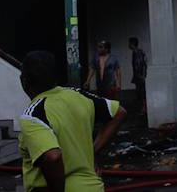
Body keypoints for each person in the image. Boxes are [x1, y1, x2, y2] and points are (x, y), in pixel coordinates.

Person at [18, 50, 127, 192]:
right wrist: (93, 150)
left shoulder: (32, 116)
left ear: (24, 81)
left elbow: (53, 157)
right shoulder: (79, 95)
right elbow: (119, 112)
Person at [129, 37, 148, 115]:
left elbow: (142, 65)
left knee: (142, 92)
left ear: (133, 44)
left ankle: (144, 108)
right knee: (140, 93)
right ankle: (143, 108)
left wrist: (142, 76)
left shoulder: (138, 53)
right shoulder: (135, 52)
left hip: (140, 76)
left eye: (130, 43)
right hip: (138, 76)